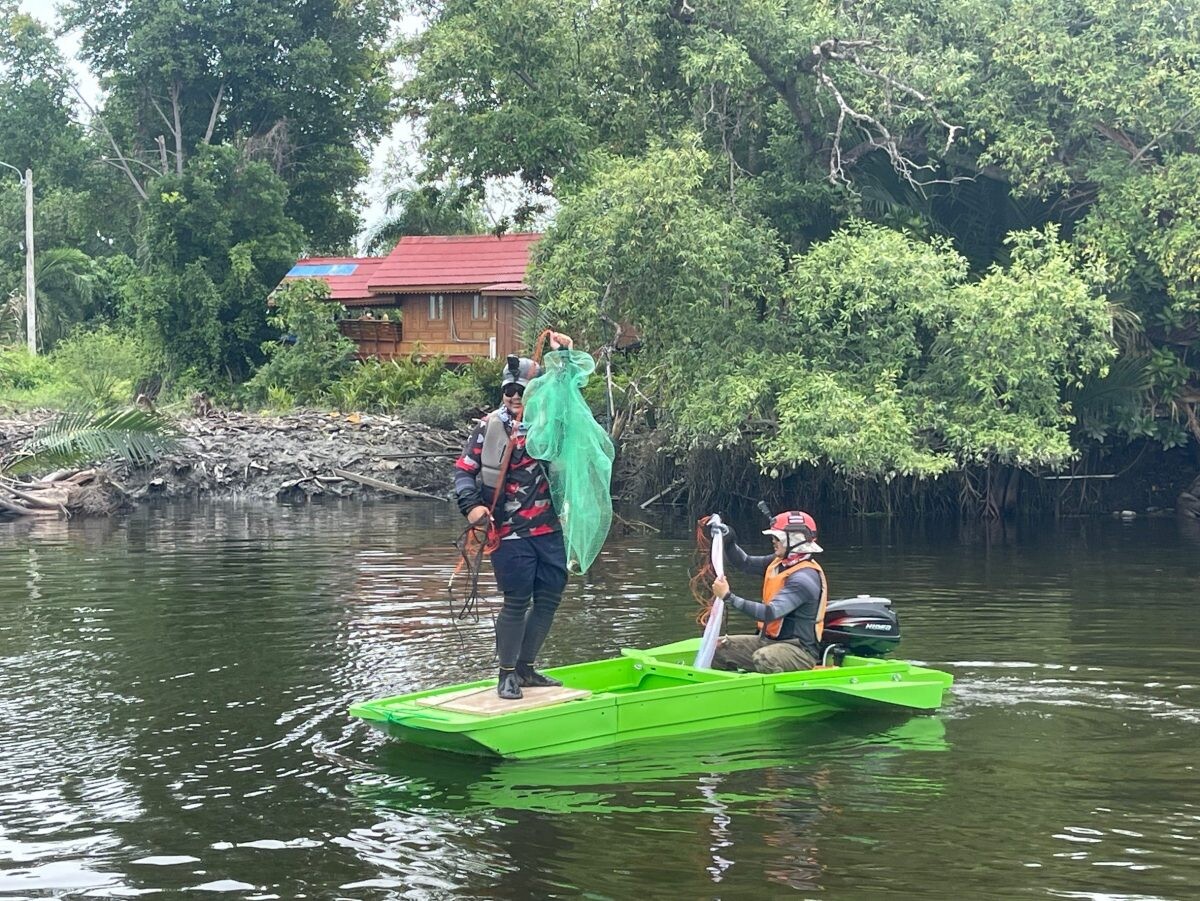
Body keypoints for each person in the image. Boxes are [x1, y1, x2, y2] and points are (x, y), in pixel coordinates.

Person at [453, 332, 575, 700]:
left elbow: (569, 395)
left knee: (550, 595)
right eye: (509, 391)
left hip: (549, 530)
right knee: (517, 599)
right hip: (508, 533)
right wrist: (472, 507)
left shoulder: (552, 422)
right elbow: (463, 473)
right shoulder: (489, 426)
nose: (515, 397)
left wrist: (564, 357)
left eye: (522, 391)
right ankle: (506, 673)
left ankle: (526, 668)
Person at [710, 511, 828, 673]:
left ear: (795, 539)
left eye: (777, 537)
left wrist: (728, 597)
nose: (773, 541)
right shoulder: (779, 562)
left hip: (800, 651)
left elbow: (770, 613)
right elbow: (745, 563)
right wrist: (729, 542)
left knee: (764, 658)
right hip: (768, 642)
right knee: (716, 649)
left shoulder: (804, 578)